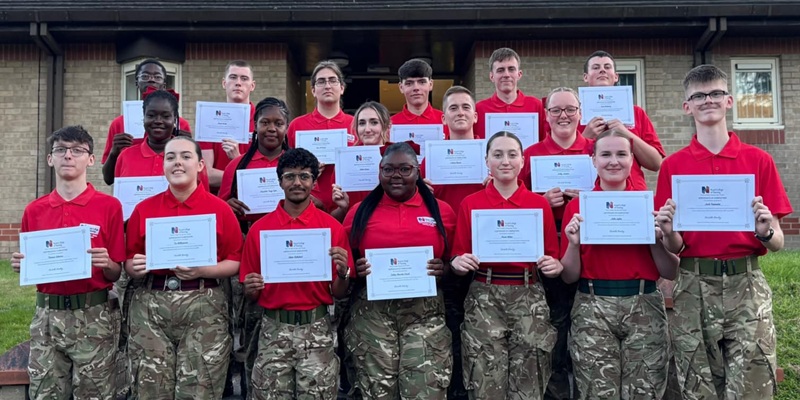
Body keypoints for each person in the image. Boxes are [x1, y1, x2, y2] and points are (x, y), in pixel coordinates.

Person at [655, 64, 792, 400]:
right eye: (698, 96)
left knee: (751, 385)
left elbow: (778, 243)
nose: (708, 101)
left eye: (716, 93)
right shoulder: (674, 166)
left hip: (746, 283)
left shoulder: (758, 160)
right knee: (696, 384)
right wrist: (668, 232)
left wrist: (764, 231)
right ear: (687, 106)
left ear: (729, 100)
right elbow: (676, 245)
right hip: (692, 284)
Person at [560, 128, 677, 399]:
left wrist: (654, 238)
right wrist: (574, 244)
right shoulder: (576, 207)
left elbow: (670, 271)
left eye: (622, 154)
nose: (614, 161)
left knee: (645, 392)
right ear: (594, 160)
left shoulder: (650, 204)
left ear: (632, 159)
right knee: (597, 392)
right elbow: (568, 276)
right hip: (592, 305)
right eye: (606, 154)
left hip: (643, 303)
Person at [10, 126, 124, 400]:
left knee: (95, 394)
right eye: (60, 150)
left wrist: (106, 262)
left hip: (93, 313)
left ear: (91, 159)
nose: (68, 156)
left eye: (77, 150)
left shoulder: (109, 206)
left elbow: (116, 270)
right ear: (50, 159)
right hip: (48, 315)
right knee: (45, 392)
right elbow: (34, 264)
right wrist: (21, 264)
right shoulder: (34, 210)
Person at [124, 136, 242, 399]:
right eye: (171, 157)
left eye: (186, 156)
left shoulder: (219, 209)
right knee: (150, 387)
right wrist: (136, 267)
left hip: (203, 304)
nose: (178, 162)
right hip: (152, 306)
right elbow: (130, 261)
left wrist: (202, 271)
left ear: (201, 165)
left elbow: (234, 261)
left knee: (200, 387)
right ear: (163, 165)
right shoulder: (144, 209)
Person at [450, 131, 562, 399]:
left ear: (523, 161)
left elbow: (552, 257)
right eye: (497, 155)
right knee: (485, 379)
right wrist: (457, 262)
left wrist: (554, 265)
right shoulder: (471, 204)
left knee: (529, 379)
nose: (505, 161)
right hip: (484, 293)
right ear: (486, 161)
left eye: (512, 154)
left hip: (529, 293)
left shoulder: (538, 205)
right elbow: (457, 257)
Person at [343, 142, 456, 399]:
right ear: (379, 172)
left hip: (424, 314)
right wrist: (356, 270)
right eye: (389, 169)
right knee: (377, 390)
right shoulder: (358, 213)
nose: (396, 175)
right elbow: (345, 266)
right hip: (373, 315)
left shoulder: (442, 212)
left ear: (417, 172)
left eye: (405, 169)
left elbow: (456, 261)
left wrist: (445, 269)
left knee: (425, 388)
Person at [239, 148, 353, 399]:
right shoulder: (261, 230)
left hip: (317, 327)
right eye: (290, 176)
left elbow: (339, 292)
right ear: (279, 181)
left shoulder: (331, 227)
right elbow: (251, 296)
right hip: (274, 328)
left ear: (314, 181)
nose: (297, 182)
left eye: (304, 176)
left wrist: (343, 273)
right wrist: (250, 287)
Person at [520, 86, 592, 399]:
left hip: (590, 246)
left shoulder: (596, 149)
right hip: (548, 244)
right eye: (556, 110)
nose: (563, 116)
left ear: (580, 113)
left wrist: (589, 200)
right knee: (555, 318)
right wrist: (540, 201)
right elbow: (514, 203)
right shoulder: (532, 154)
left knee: (586, 319)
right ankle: (556, 382)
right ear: (546, 116)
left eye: (570, 109)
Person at [217, 97, 290, 397]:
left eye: (278, 123)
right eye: (265, 122)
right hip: (251, 250)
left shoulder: (297, 161)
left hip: (287, 251)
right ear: (255, 126)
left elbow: (320, 206)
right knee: (250, 326)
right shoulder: (237, 165)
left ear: (287, 127)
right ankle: (249, 389)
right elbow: (217, 211)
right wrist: (228, 205)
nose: (271, 128)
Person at [580, 50, 665, 189]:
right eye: (596, 67)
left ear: (616, 77)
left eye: (607, 67)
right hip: (589, 194)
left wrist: (626, 134)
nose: (602, 71)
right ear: (585, 77)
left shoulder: (636, 113)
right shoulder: (575, 115)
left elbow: (655, 164)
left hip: (633, 193)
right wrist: (585, 138)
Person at [102, 58, 192, 184]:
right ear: (136, 82)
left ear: (164, 84)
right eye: (145, 76)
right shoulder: (118, 124)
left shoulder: (181, 125)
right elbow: (108, 179)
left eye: (157, 76)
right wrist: (114, 153)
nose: (151, 79)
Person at [287, 60, 355, 213]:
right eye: (321, 81)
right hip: (308, 204)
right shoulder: (297, 126)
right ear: (313, 90)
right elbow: (286, 168)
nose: (327, 86)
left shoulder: (356, 125)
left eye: (333, 80)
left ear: (342, 88)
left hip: (349, 204)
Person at [113, 89, 210, 190]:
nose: (158, 121)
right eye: (151, 115)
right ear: (143, 117)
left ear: (175, 119)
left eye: (166, 116)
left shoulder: (191, 158)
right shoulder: (125, 156)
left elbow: (204, 199)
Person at [202, 60, 258, 193]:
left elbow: (263, 175)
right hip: (219, 198)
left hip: (254, 197)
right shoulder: (209, 120)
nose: (238, 82)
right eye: (233, 77)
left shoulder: (262, 121)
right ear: (224, 83)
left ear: (252, 86)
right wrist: (242, 175)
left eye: (244, 78)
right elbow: (206, 175)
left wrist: (237, 159)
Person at [331, 100, 391, 222]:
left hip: (390, 225)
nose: (367, 129)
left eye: (374, 122)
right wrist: (342, 208)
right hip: (355, 227)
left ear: (385, 126)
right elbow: (332, 217)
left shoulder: (398, 155)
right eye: (362, 123)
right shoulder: (344, 160)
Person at [474, 48, 547, 141]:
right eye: (500, 70)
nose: (506, 74)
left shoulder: (536, 105)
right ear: (491, 76)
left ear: (519, 74)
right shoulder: (479, 109)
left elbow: (544, 141)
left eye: (511, 69)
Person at [391, 58, 444, 126]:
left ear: (431, 84)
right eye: (409, 83)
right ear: (401, 87)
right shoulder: (390, 125)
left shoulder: (446, 121)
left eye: (422, 82)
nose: (416, 88)